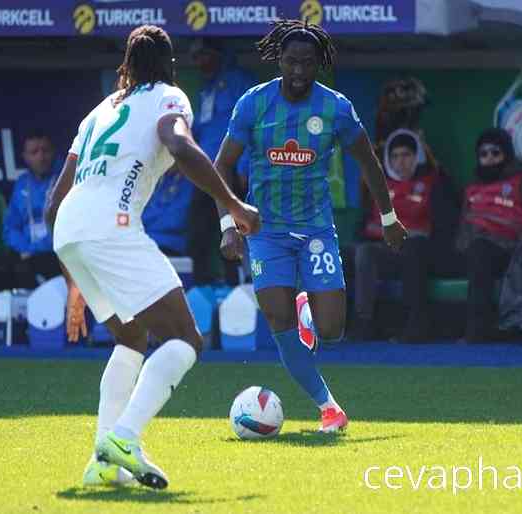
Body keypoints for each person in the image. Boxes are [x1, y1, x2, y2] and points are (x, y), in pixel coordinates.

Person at [45, 25, 259, 490]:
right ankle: (124, 437)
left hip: (69, 231)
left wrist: (74, 283)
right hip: (112, 228)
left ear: (126, 64)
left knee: (131, 339)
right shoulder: (170, 96)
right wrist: (236, 205)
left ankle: (103, 460)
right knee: (185, 339)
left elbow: (51, 205)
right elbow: (180, 145)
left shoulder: (99, 111)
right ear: (170, 65)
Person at [214, 20, 407, 433]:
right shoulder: (254, 103)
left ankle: (309, 308)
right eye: (291, 61)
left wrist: (389, 217)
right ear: (278, 60)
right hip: (264, 230)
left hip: (316, 229)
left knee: (333, 330)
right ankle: (329, 408)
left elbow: (369, 163)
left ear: (319, 64)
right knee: (278, 321)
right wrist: (228, 223)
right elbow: (222, 165)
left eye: (307, 63)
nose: (299, 71)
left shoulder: (336, 107)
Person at [352, 129, 461, 342]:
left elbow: (443, 228)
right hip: (385, 250)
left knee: (414, 248)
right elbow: (364, 227)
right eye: (395, 156)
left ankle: (414, 326)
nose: (401, 162)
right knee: (357, 252)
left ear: (417, 156)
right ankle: (360, 324)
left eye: (406, 155)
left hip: (420, 251)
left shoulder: (435, 183)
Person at [457, 128, 522, 342]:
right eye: (483, 154)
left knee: (480, 251)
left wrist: (519, 243)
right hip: (474, 252)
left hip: (513, 253)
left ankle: (478, 331)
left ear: (506, 155)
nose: (489, 159)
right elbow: (462, 233)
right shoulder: (473, 189)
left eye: (495, 153)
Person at [187, 37, 256, 284]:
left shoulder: (239, 81)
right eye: (195, 57)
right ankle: (205, 289)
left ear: (218, 53)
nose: (199, 62)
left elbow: (252, 126)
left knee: (236, 230)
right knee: (199, 232)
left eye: (204, 54)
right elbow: (200, 133)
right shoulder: (205, 90)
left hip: (231, 173)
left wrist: (244, 166)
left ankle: (240, 286)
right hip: (205, 173)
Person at [1, 132, 62, 289]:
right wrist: (25, 248)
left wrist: (34, 250)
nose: (41, 157)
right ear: (25, 157)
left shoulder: (64, 178)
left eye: (45, 150)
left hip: (55, 253)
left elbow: (67, 226)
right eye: (34, 152)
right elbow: (10, 228)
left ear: (53, 152)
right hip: (26, 254)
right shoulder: (22, 183)